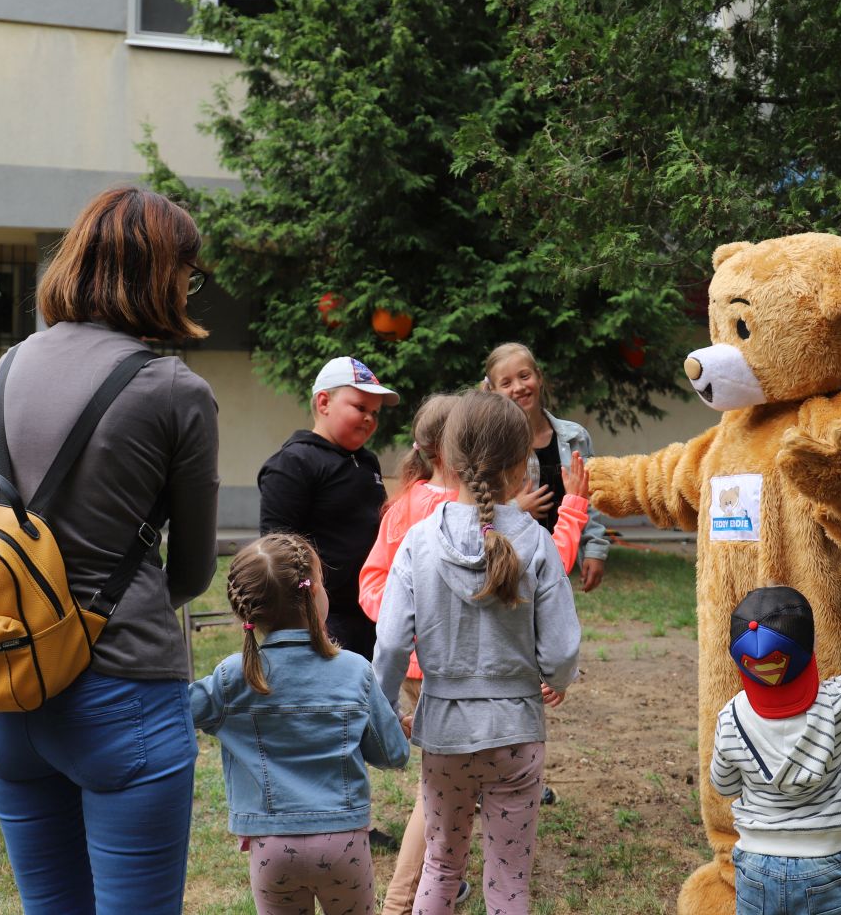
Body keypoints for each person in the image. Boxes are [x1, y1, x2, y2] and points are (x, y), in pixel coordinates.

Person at [0, 186, 220, 914]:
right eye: (187, 272)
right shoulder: (175, 389)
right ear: (158, 275)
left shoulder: (9, 366)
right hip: (125, 694)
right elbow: (194, 569)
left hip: (12, 691)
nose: (187, 287)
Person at [358, 393, 592, 915]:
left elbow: (392, 643)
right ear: (520, 466)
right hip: (517, 734)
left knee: (441, 865)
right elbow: (561, 649)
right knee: (509, 879)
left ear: (447, 455)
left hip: (444, 734)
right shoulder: (536, 542)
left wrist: (390, 710)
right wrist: (556, 677)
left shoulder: (418, 542)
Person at [190, 533, 410, 915]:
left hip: (269, 848)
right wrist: (395, 727)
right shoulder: (355, 671)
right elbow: (392, 755)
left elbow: (174, 710)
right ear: (313, 596)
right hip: (342, 843)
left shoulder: (232, 677)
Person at [709, 554, 841, 915]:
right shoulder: (838, 704)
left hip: (755, 864)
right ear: (808, 650)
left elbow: (725, 785)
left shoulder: (732, 718)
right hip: (823, 864)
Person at [258, 355, 398, 660]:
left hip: (372, 610)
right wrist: (304, 617)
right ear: (324, 403)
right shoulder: (293, 463)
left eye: (375, 413)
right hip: (323, 617)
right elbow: (277, 552)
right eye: (360, 408)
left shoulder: (367, 461)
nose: (370, 419)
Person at [483, 342, 608, 592]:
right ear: (493, 391)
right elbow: (476, 507)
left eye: (524, 376)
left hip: (561, 559)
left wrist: (595, 549)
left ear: (538, 377)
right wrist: (516, 508)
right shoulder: (491, 445)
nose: (518, 387)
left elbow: (590, 498)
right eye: (506, 383)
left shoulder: (576, 437)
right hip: (514, 565)